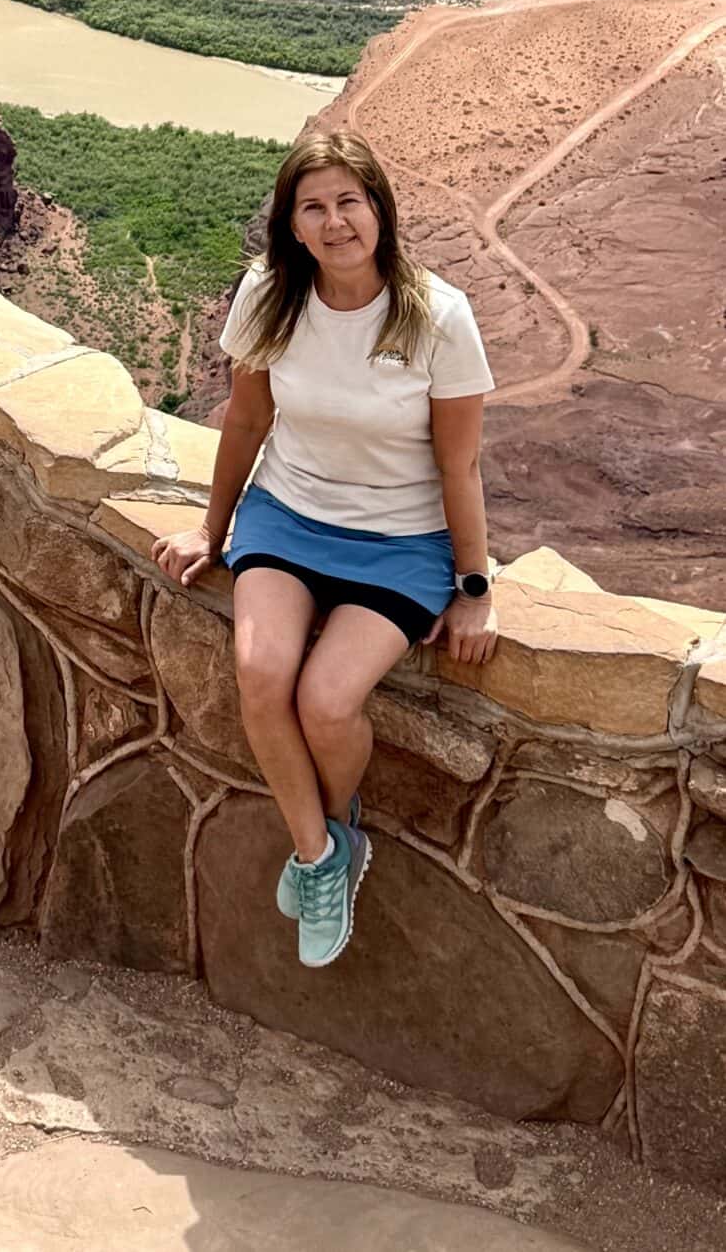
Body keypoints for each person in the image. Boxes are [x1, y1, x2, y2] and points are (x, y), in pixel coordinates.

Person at [151, 129, 499, 970]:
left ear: (379, 210)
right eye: (313, 207)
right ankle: (319, 857)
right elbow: (245, 420)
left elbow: (458, 464)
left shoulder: (437, 317)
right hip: (286, 515)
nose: (335, 221)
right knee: (260, 671)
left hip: (401, 538)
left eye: (350, 201)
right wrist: (211, 530)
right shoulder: (268, 294)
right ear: (292, 225)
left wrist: (474, 587)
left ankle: (333, 832)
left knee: (328, 702)